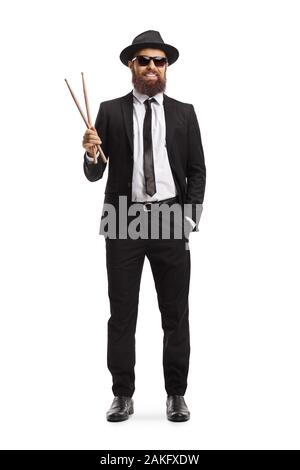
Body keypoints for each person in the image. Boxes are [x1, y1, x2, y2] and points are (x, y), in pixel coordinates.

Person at [82, 30, 206, 422]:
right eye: (144, 60)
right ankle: (122, 395)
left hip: (171, 215)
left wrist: (189, 218)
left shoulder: (184, 112)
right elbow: (95, 173)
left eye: (159, 61)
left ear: (166, 67)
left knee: (176, 312)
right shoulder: (109, 110)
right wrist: (91, 155)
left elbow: (197, 169)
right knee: (122, 313)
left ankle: (176, 395)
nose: (152, 66)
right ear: (131, 65)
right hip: (123, 217)